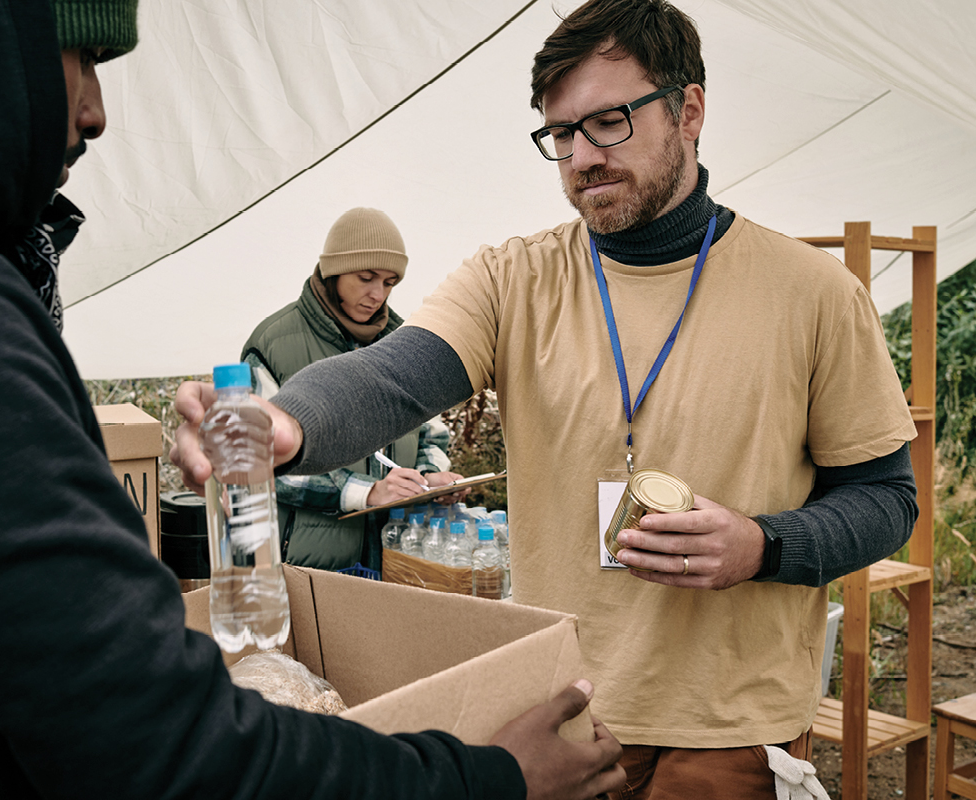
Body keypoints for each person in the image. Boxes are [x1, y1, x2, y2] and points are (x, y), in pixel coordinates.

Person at [0, 1, 624, 798]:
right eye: (81, 57)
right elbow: (157, 741)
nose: (97, 113)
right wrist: (490, 779)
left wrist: (763, 543)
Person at [172, 0, 920, 797]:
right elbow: (392, 375)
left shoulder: (813, 295)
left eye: (608, 122)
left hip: (732, 726)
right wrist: (287, 422)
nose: (580, 158)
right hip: (565, 710)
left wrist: (762, 546)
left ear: (689, 110)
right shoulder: (513, 280)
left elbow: (885, 497)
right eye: (560, 135)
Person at [242, 207, 464, 571]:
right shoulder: (273, 344)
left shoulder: (406, 341)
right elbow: (257, 460)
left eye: (390, 283)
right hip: (308, 567)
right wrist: (367, 492)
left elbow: (432, 433)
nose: (377, 294)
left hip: (397, 559)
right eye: (366, 277)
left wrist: (427, 481)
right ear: (333, 271)